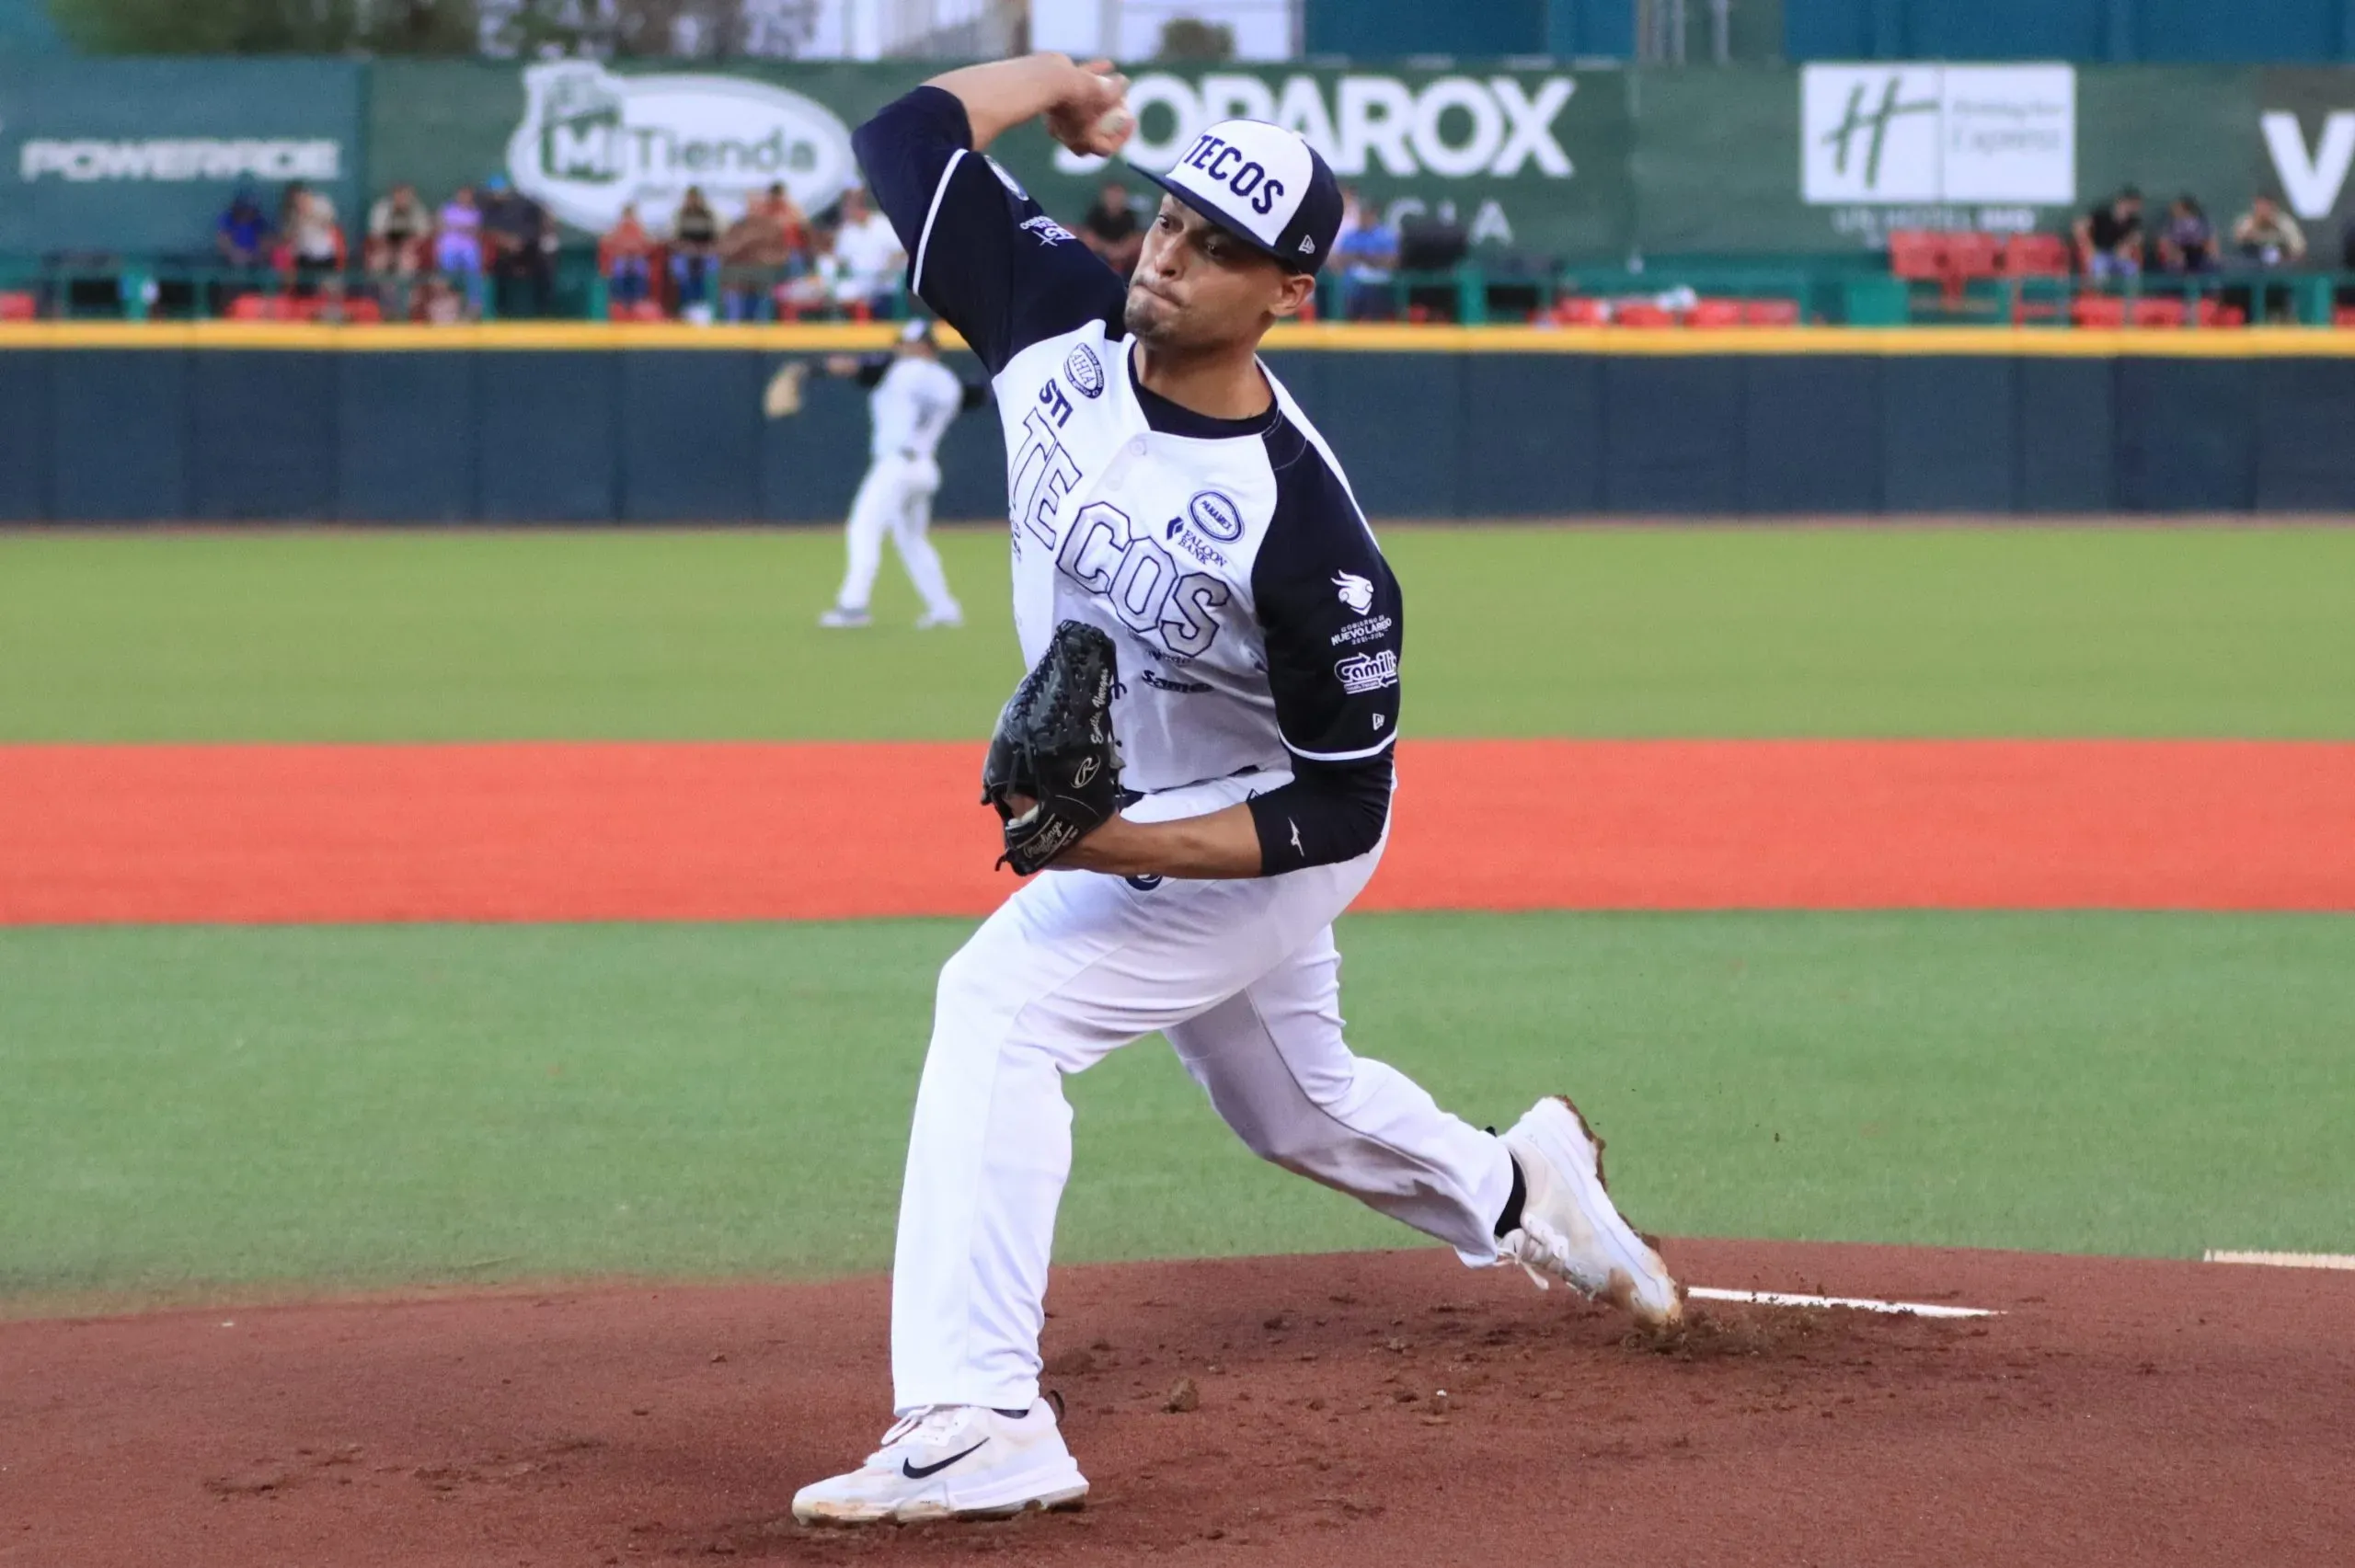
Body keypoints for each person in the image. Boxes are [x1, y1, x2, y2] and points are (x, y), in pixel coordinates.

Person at [789, 53, 1682, 1528]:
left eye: (1219, 246)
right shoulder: (1052, 314)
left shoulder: (1310, 542)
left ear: (1289, 292)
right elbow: (902, 133)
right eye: (1171, 219)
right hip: (1140, 800)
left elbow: (1341, 807)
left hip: (1262, 824)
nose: (1174, 254)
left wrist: (1114, 840)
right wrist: (1065, 80)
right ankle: (1523, 1189)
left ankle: (980, 1413)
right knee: (1291, 1106)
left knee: (998, 1007)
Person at [816, 319, 984, 630]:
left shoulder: (903, 371)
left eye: (905, 343)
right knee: (912, 540)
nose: (899, 348)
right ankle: (944, 608)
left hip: (896, 466)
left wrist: (821, 369)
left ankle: (852, 606)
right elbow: (974, 395)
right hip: (924, 467)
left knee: (863, 528)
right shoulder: (946, 381)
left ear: (923, 347)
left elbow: (864, 369)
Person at [481, 175, 555, 319]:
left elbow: (544, 216)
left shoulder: (522, 203)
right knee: (496, 272)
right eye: (494, 192)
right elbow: (486, 231)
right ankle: (500, 311)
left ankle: (544, 312)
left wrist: (544, 227)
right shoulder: (489, 209)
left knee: (545, 267)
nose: (498, 195)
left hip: (528, 249)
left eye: (500, 191)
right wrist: (506, 241)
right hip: (503, 253)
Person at [829, 187, 906, 316]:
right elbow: (840, 261)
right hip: (858, 287)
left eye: (850, 206)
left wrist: (884, 271)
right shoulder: (847, 231)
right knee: (835, 294)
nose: (847, 210)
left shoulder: (884, 225)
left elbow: (901, 253)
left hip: (884, 288)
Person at [1332, 187, 1398, 320]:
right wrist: (1353, 258)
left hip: (1377, 285)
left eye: (1367, 213)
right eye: (1362, 213)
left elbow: (1392, 262)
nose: (1364, 217)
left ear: (1374, 214)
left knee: (1373, 294)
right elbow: (1339, 261)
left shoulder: (1384, 235)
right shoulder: (1350, 236)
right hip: (1350, 286)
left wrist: (1367, 258)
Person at [671, 186, 721, 318]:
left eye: (695, 198)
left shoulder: (708, 215)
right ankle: (687, 307)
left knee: (708, 266)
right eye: (690, 198)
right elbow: (674, 240)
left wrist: (703, 249)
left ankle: (702, 307)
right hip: (686, 253)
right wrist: (687, 248)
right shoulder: (681, 215)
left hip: (705, 253)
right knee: (682, 268)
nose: (693, 201)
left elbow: (715, 239)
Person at [2074, 187, 2143, 281]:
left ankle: (2130, 296)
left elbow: (2137, 238)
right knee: (2100, 268)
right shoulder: (2103, 214)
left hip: (2118, 256)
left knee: (2131, 269)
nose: (2134, 207)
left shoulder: (2133, 220)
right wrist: (2088, 248)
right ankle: (2101, 295)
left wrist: (2127, 245)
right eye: (2131, 203)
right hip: (2099, 253)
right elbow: (2079, 227)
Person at [1077, 178, 1143, 276]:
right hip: (1099, 257)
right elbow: (1088, 237)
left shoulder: (1130, 216)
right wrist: (1109, 250)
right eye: (1111, 194)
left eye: (1118, 194)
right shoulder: (1095, 214)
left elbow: (1136, 238)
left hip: (1124, 260)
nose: (1115, 198)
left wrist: (1121, 251)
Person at [599, 203, 657, 310]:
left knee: (640, 269)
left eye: (631, 214)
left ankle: (639, 301)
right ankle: (619, 301)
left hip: (636, 258)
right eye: (627, 214)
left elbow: (648, 244)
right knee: (619, 269)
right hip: (622, 258)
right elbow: (607, 242)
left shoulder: (639, 228)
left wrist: (635, 251)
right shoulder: (618, 228)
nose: (629, 217)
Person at [2155, 195, 2217, 275]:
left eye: (2177, 207)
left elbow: (2212, 250)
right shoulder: (2170, 225)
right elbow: (2165, 250)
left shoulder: (2203, 224)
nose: (2172, 210)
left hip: (2200, 262)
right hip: (2177, 266)